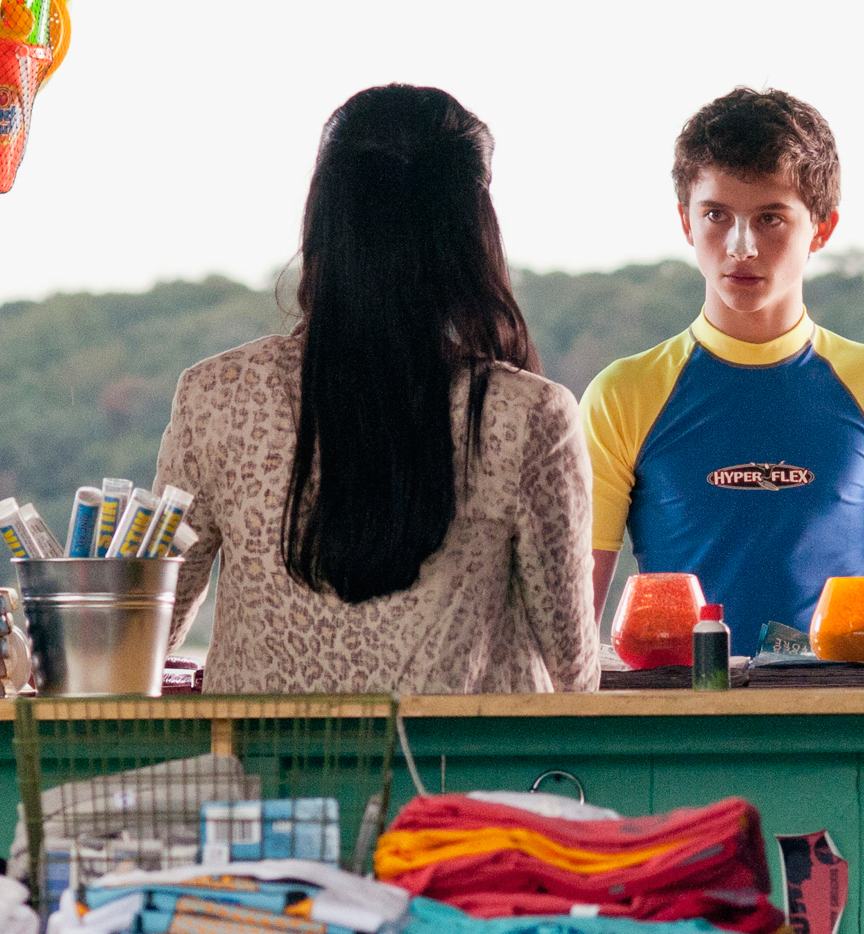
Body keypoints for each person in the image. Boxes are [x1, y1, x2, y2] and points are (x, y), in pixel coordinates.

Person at [156, 85, 599, 693]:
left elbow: (149, 628)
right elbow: (574, 670)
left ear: (323, 223)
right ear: (472, 237)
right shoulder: (529, 415)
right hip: (461, 758)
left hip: (257, 758)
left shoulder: (215, 397)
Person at [579, 87, 864, 656]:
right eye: (716, 215)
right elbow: (573, 619)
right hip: (675, 708)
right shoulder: (623, 393)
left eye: (770, 219)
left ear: (822, 230)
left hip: (836, 708)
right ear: (686, 222)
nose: (741, 246)